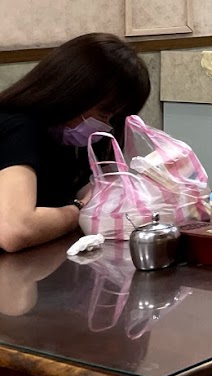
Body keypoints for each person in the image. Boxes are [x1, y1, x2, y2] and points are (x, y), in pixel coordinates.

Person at [0, 33, 150, 253]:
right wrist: (77, 211)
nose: (106, 126)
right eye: (104, 113)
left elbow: (93, 190)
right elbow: (15, 230)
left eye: (114, 118)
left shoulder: (68, 138)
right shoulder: (18, 128)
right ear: (73, 92)